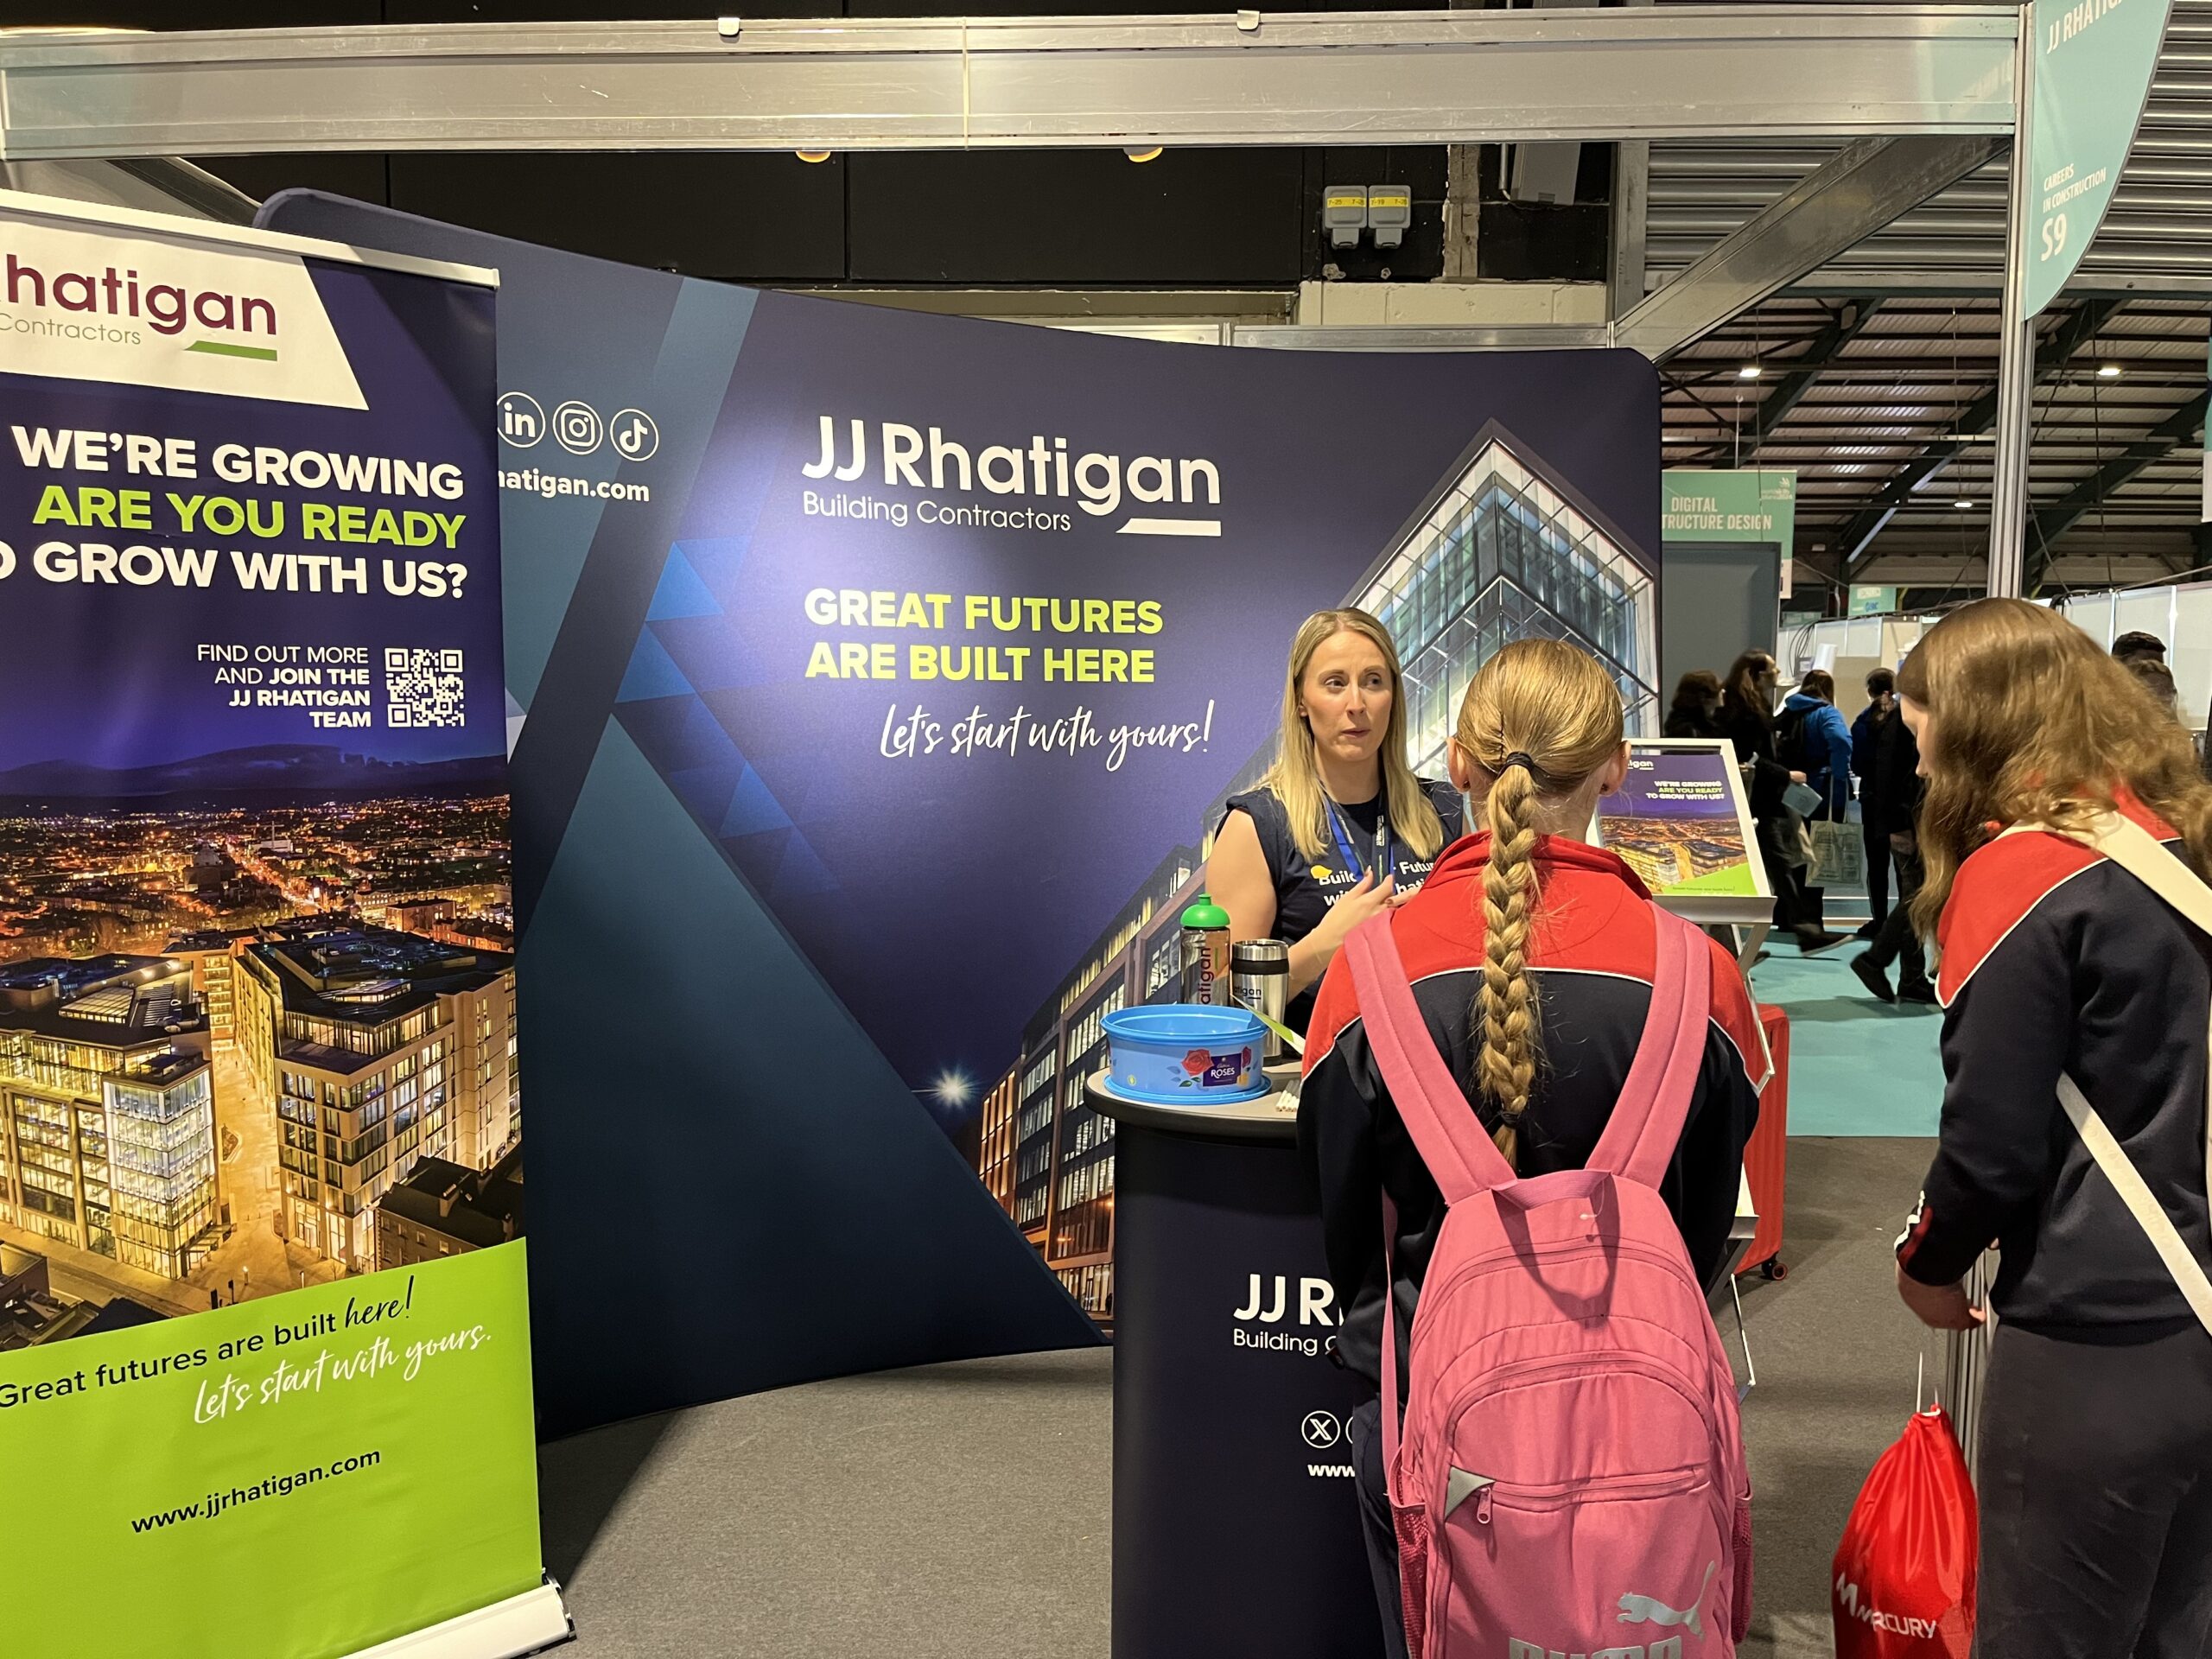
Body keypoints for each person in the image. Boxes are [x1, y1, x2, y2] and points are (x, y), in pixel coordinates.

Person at [1300, 639, 1766, 1657]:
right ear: (1615, 767)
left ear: (1460, 763)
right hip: (1646, 1425)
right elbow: (1697, 1228)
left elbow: (1345, 1227)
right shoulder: (1704, 979)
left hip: (1431, 1425)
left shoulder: (1364, 975)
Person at [1889, 598, 2212, 1657]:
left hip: (2093, 1341)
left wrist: (1927, 1266)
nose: (1918, 760)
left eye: (1924, 730)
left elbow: (1991, 1147)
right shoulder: (2181, 848)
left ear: (1977, 726)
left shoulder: (2023, 877)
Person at [1208, 608, 1464, 1033]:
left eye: (1373, 681)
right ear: (1301, 700)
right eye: (1335, 683)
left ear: (1393, 696)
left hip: (1428, 1062)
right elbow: (1224, 1006)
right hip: (1308, 1067)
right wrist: (1324, 945)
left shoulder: (1445, 810)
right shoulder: (1256, 825)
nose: (1356, 704)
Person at [1719, 649, 1847, 951]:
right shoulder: (1744, 710)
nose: (1778, 673)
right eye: (1773, 669)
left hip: (1761, 796)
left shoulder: (1763, 708)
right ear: (1758, 675)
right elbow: (1747, 754)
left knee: (1779, 864)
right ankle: (1803, 929)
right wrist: (1786, 774)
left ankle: (1801, 929)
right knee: (1775, 863)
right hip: (1756, 797)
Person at [1848, 696, 1933, 1003]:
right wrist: (1897, 825)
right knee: (1919, 896)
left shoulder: (1904, 718)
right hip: (1908, 822)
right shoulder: (1903, 721)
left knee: (1916, 895)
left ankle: (1911, 977)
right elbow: (1890, 774)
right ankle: (1876, 961)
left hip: (1911, 820)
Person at [1851, 668, 1898, 934]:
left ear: (1869, 691)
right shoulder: (1903, 718)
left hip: (1872, 800)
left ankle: (1879, 920)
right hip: (1901, 802)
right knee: (1905, 868)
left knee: (1876, 865)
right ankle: (1905, 924)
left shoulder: (1862, 722)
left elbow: (1856, 763)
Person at [1663, 668, 1726, 740]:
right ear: (1705, 698)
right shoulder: (1690, 731)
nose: (1723, 694)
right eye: (1721, 691)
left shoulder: (1677, 723)